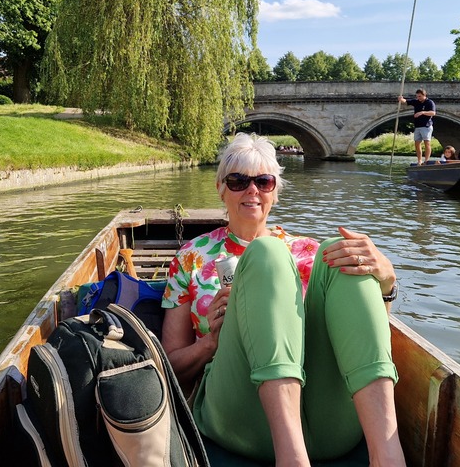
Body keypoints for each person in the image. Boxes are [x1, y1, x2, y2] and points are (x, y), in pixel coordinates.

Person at [161, 133, 406, 467]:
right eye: (237, 181)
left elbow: (366, 336)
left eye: (263, 181)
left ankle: (388, 455)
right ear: (220, 188)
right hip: (236, 416)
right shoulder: (191, 257)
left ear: (275, 191)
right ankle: (291, 459)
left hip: (324, 420)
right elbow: (168, 366)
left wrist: (387, 282)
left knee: (345, 252)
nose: (252, 190)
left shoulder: (310, 251)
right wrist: (212, 342)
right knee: (267, 253)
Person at [397, 89, 436, 165]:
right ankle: (419, 160)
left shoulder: (429, 102)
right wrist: (401, 99)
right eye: (417, 96)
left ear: (424, 95)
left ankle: (426, 160)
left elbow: (433, 113)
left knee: (427, 143)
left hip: (426, 126)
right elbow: (406, 101)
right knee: (417, 143)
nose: (418, 98)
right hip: (417, 126)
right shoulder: (416, 102)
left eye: (420, 96)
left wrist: (422, 112)